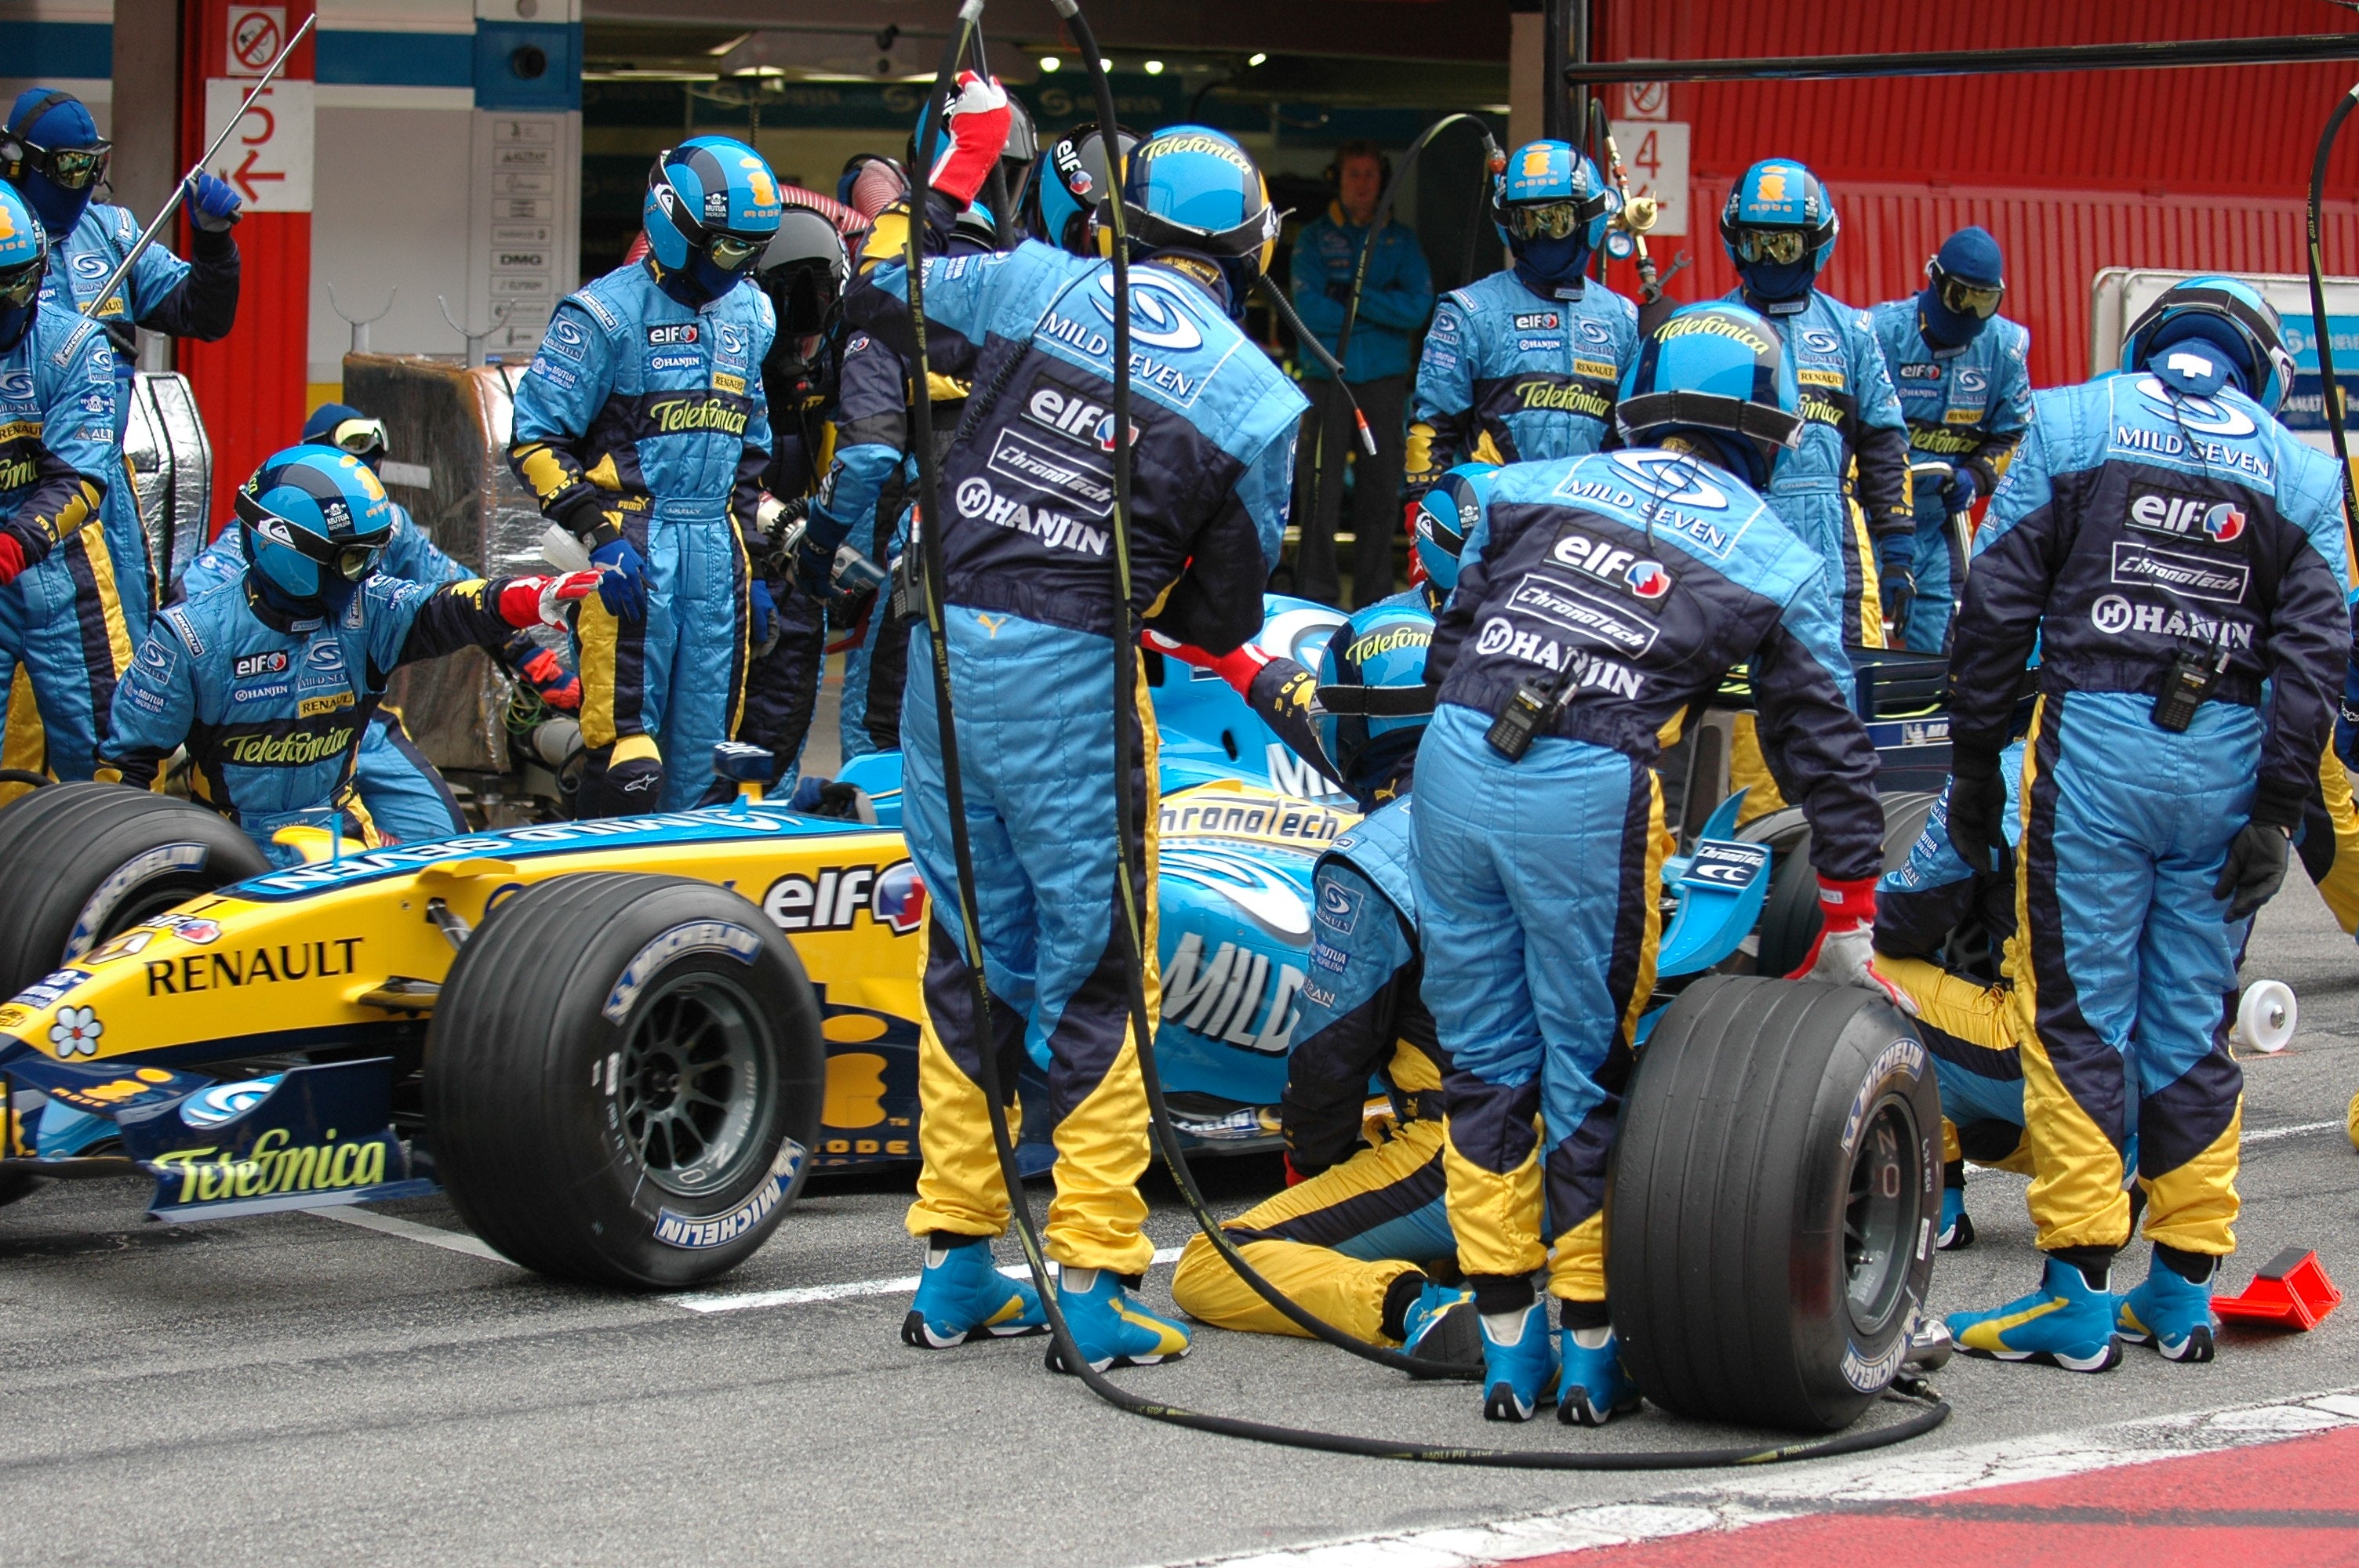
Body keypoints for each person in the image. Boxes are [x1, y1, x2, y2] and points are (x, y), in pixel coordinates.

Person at [846, 89, 1304, 1374]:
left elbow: (879, 293)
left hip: (939, 651)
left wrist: (962, 165)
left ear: (1122, 218)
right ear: (1250, 249)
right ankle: (1095, 1279)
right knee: (1099, 979)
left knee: (970, 957)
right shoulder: (1254, 394)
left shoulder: (1038, 280)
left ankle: (953, 1268)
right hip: (1067, 669)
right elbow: (1225, 601)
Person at [1416, 301, 1897, 1425]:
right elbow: (1820, 736)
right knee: (1586, 1071)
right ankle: (1591, 1357)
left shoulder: (1533, 485)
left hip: (1456, 756)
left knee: (1483, 1065)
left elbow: (1456, 636)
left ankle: (1504, 1352)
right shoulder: (1776, 550)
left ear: (1643, 394)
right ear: (1769, 426)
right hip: (1585, 788)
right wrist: (1852, 904)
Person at [1943, 277, 2349, 1371]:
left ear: (2152, 344)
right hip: (2226, 769)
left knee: (2078, 1019)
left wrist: (1976, 759)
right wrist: (2277, 809)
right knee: (2192, 1026)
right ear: (2258, 367)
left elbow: (1993, 603)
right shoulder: (2301, 471)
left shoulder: (2074, 419)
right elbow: (2318, 659)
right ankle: (2182, 1289)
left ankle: (2075, 1294)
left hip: (2097, 755)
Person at [1158, 602, 1479, 1367]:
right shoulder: (1545, 804)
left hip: (1462, 1152)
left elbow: (1329, 1058)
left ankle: (1416, 1310)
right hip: (1596, 1144)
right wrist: (1238, 661)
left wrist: (1309, 1161)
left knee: (1210, 1265)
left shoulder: (1369, 861)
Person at [101, 448, 604, 864]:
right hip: (225, 854)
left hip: (339, 842)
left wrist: (534, 597)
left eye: (373, 554)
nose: (368, 571)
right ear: (288, 551)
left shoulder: (369, 612)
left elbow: (445, 608)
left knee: (452, 858)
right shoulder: (190, 636)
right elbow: (124, 770)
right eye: (353, 557)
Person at [508, 136, 782, 816]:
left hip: (718, 552)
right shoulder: (601, 316)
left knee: (709, 755)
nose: (742, 266)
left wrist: (757, 565)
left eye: (754, 249)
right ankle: (601, 898)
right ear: (672, 225)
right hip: (632, 548)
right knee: (627, 755)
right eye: (727, 248)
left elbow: (753, 452)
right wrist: (598, 537)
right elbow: (533, 439)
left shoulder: (754, 314)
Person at [4, 88, 241, 641]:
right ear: (21, 162)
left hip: (98, 482)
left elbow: (202, 313)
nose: (84, 180)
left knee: (116, 642)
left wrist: (214, 245)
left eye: (95, 163)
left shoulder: (111, 232)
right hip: (15, 486)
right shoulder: (4, 239)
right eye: (69, 166)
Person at [1717, 159, 1913, 651]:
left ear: (1816, 245)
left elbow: (1885, 443)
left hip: (1837, 539)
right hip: (1738, 525)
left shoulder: (1853, 332)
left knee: (1848, 695)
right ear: (1734, 242)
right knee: (1746, 711)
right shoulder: (1707, 328)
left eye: (1785, 245)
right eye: (1755, 243)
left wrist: (1899, 548)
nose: (1770, 259)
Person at [1404, 141, 1636, 524]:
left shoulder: (1621, 319)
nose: (1543, 234)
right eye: (1528, 220)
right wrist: (1422, 526)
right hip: (1494, 526)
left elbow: (1634, 441)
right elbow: (1431, 431)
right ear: (1508, 224)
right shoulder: (1469, 313)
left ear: (1588, 219)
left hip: (1592, 527)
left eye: (1558, 219)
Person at [0, 183, 121, 786]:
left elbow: (82, 477)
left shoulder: (74, 346)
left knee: (107, 755)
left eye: (15, 285)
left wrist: (14, 545)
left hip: (63, 574)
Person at [732, 206, 853, 799]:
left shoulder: (839, 365)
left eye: (814, 334)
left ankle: (770, 814)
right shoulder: (714, 359)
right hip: (724, 565)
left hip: (797, 570)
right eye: (794, 336)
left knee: (784, 723)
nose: (802, 352)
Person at [1868, 227, 2032, 653]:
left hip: (1941, 522)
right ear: (1935, 280)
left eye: (1984, 300)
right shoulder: (1876, 333)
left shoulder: (2005, 347)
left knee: (1944, 649)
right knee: (1859, 638)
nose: (1971, 312)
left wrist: (1976, 477)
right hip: (1868, 519)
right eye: (1961, 296)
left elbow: (2017, 435)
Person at [1289, 139, 1433, 608]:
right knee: (1318, 495)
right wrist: (1378, 301)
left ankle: (1375, 599)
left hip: (1385, 385)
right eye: (1353, 174)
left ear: (1383, 180)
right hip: (1326, 380)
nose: (1362, 185)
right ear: (1338, 178)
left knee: (1381, 498)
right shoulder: (1311, 239)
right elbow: (1310, 312)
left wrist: (1353, 296)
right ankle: (1315, 597)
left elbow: (1418, 308)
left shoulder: (1404, 242)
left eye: (1370, 175)